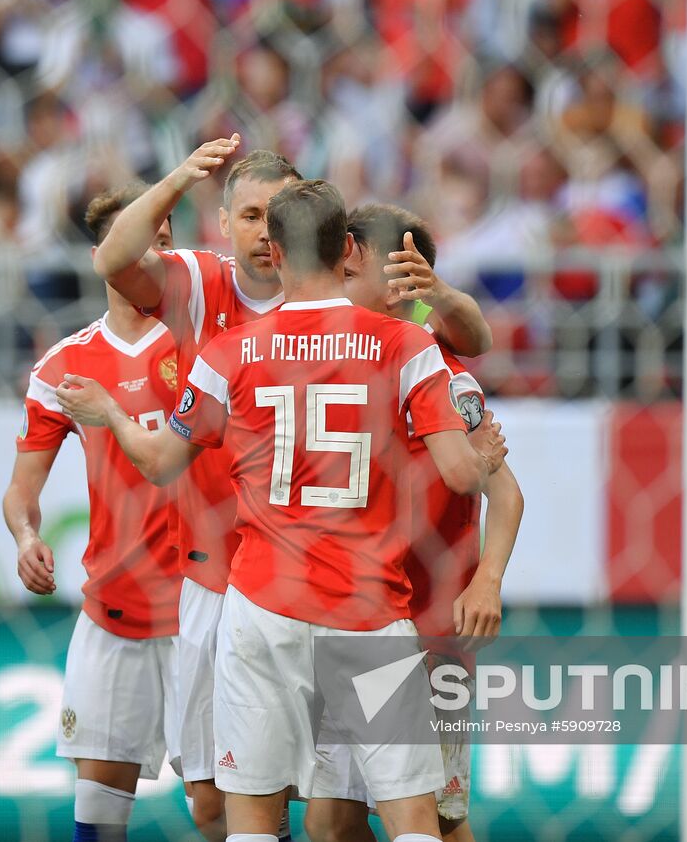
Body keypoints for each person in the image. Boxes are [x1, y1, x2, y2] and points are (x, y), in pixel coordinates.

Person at [59, 179, 507, 842]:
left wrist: (111, 415)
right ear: (348, 248)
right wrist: (487, 457)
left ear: (272, 247)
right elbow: (462, 474)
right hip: (368, 608)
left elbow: (159, 463)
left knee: (255, 818)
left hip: (262, 608)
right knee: (415, 820)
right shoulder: (403, 347)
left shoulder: (228, 353)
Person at [305, 203, 525, 842]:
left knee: (436, 820)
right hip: (348, 622)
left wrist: (486, 583)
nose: (336, 280)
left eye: (350, 269)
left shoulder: (444, 374)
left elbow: (507, 495)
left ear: (403, 275)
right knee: (332, 821)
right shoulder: (327, 367)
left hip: (431, 631)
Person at [1, 184, 182, 842]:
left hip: (206, 606)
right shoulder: (65, 366)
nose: (157, 255)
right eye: (141, 243)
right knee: (101, 815)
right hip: (116, 609)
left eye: (165, 241)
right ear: (105, 256)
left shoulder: (205, 346)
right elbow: (21, 491)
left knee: (226, 810)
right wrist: (26, 536)